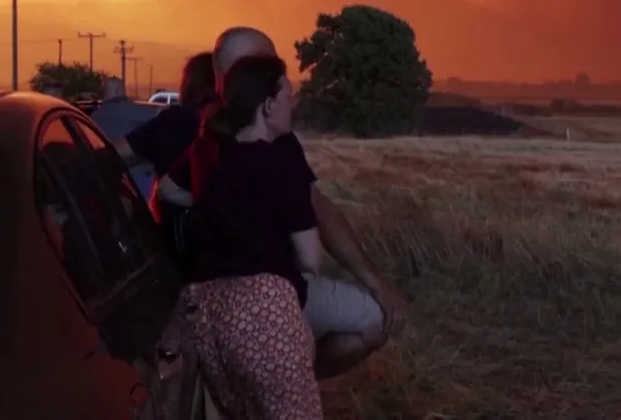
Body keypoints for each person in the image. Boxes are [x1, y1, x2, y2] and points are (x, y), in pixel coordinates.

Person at [159, 26, 408, 380]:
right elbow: (312, 245)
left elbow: (166, 190)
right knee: (370, 319)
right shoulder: (274, 141)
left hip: (203, 296)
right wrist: (374, 282)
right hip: (274, 298)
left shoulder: (194, 133)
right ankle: (290, 378)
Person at [172, 53, 322, 419]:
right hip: (264, 313)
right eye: (288, 96)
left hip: (207, 314)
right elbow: (310, 258)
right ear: (269, 106)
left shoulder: (209, 152)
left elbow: (167, 191)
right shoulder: (281, 163)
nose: (294, 103)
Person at [113, 52, 216, 216]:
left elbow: (112, 155)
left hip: (171, 234)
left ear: (188, 84)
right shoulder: (240, 126)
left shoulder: (174, 121)